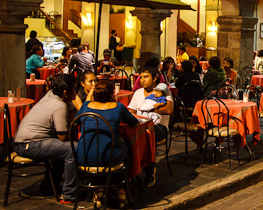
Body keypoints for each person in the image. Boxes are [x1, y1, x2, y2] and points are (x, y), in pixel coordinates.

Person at [14, 74, 78, 204]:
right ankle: (69, 194)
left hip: (24, 140)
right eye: (74, 90)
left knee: (62, 150)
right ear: (65, 92)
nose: (76, 93)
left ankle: (48, 186)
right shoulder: (59, 106)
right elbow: (62, 136)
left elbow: (72, 111)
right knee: (72, 149)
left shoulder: (50, 95)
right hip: (29, 144)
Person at [75, 79, 137, 208]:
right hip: (108, 157)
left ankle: (98, 190)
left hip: (83, 156)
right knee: (126, 148)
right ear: (111, 94)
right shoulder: (118, 107)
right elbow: (133, 122)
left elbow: (77, 122)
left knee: (102, 152)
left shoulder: (86, 106)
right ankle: (121, 188)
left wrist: (89, 96)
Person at [127, 66, 173, 187]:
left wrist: (151, 109)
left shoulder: (164, 91)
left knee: (146, 135)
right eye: (141, 77)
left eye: (146, 77)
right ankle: (130, 171)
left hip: (159, 127)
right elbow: (130, 110)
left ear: (154, 79)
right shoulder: (137, 93)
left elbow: (169, 109)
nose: (142, 80)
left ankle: (149, 171)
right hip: (139, 125)